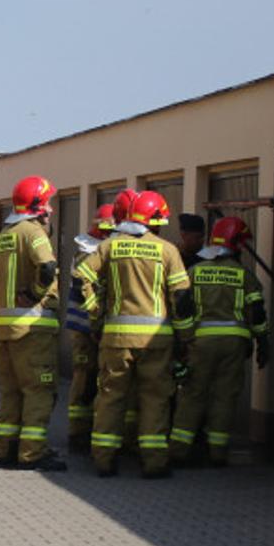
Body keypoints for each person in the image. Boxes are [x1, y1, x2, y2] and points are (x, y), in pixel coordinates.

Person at [75, 190, 191, 478]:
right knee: (155, 398)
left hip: (115, 339)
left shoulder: (111, 246)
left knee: (111, 397)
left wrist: (95, 316)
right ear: (154, 220)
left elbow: (81, 277)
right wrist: (186, 336)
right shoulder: (168, 250)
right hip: (157, 341)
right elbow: (182, 298)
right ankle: (153, 463)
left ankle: (104, 460)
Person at [0, 176, 68, 472]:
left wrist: (9, 290)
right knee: (38, 392)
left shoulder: (6, 233)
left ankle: (8, 452)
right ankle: (32, 454)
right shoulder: (33, 232)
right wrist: (32, 294)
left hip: (5, 330)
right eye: (48, 203)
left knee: (11, 393)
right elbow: (48, 267)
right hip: (33, 330)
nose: (51, 209)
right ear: (38, 205)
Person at [169, 216, 271, 467]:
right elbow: (257, 312)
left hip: (200, 343)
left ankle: (179, 451)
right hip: (234, 345)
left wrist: (183, 340)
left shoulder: (194, 271)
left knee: (192, 395)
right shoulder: (244, 275)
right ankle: (218, 453)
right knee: (224, 397)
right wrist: (263, 342)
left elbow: (181, 307)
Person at [63, 203, 118, 453]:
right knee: (84, 378)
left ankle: (88, 429)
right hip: (86, 328)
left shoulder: (94, 251)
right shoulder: (87, 254)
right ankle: (77, 433)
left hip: (93, 326)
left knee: (96, 378)